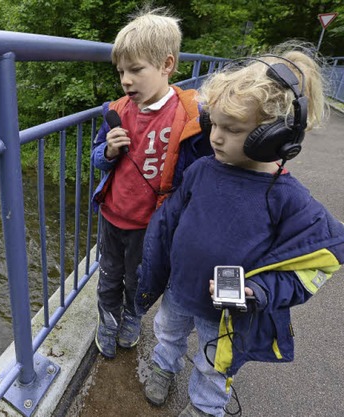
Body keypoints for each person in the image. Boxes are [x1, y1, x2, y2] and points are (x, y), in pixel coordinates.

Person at [134, 43, 344, 417]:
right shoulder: (201, 169)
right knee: (168, 333)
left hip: (227, 311)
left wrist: (260, 291)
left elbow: (318, 264)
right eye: (213, 123)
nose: (215, 137)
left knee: (215, 364)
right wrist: (152, 266)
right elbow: (168, 225)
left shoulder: (287, 198)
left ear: (274, 137)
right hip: (180, 288)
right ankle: (164, 368)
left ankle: (205, 407)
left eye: (231, 130)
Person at [91, 6, 212, 359]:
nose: (126, 80)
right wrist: (109, 153)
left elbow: (201, 173)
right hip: (113, 216)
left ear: (167, 65)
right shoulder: (117, 111)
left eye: (136, 70)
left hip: (152, 224)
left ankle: (132, 317)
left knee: (140, 278)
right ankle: (108, 319)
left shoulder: (189, 117)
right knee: (109, 273)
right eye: (121, 72)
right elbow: (97, 157)